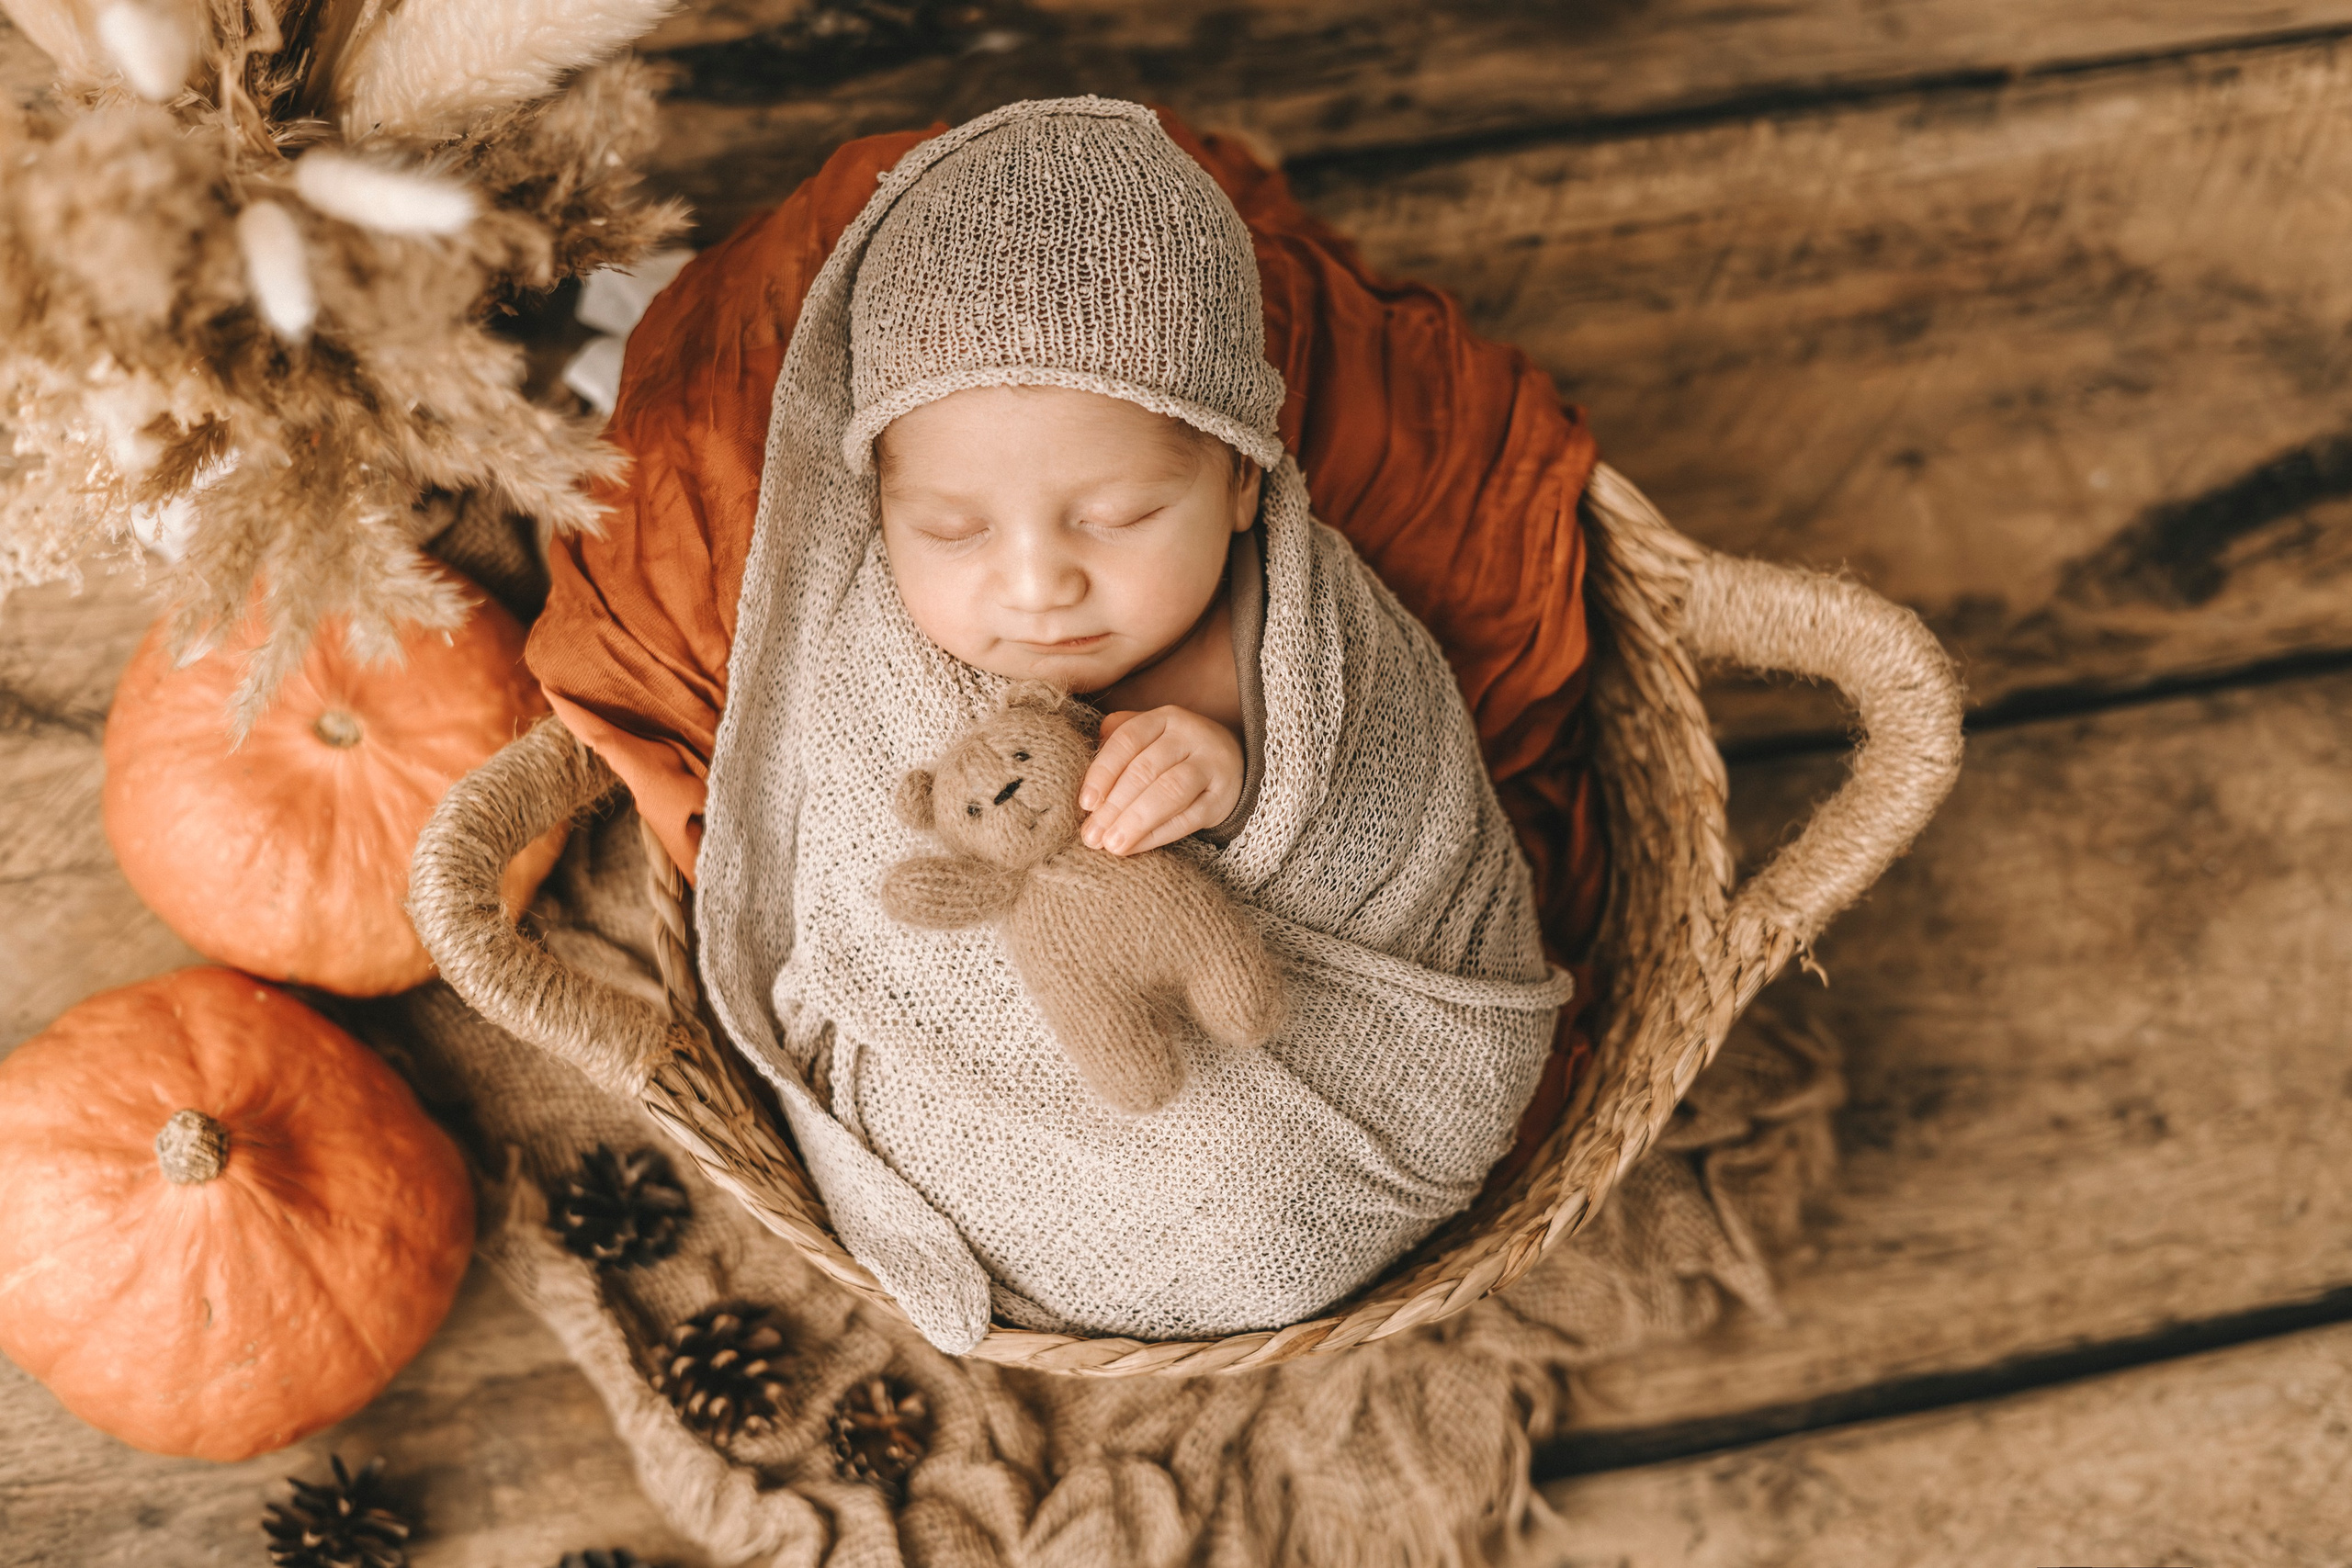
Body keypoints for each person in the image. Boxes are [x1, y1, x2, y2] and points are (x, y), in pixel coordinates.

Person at [569, 96, 1593, 1355]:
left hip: (1365, 1090)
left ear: (1236, 479)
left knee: (1259, 1187)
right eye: (950, 529)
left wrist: (1232, 764)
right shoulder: (871, 656)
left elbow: (1389, 776)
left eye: (1112, 516)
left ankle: (1246, 1231)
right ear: (876, 501)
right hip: (1007, 1136)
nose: (1036, 584)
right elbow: (848, 876)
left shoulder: (1305, 631)